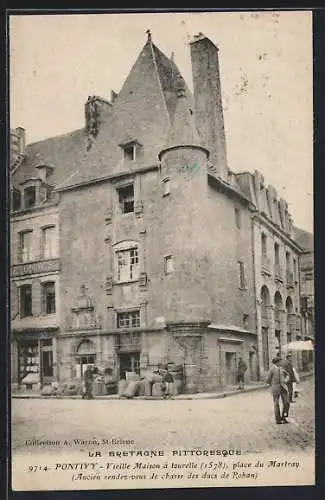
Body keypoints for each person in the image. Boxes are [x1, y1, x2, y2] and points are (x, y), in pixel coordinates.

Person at [266, 357, 290, 424]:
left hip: (283, 388)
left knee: (286, 402)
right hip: (275, 388)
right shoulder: (271, 369)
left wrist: (285, 380)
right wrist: (272, 384)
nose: (281, 363)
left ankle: (284, 416)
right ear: (277, 362)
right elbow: (268, 379)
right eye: (280, 362)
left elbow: (288, 375)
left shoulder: (282, 368)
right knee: (276, 404)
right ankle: (278, 419)